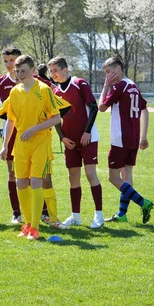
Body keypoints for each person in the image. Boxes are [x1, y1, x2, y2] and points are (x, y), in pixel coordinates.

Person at [0, 55, 65, 240]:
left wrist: (34, 129)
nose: (19, 75)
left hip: (41, 142)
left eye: (23, 71)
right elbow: (10, 120)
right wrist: (4, 146)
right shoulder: (14, 92)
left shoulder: (44, 90)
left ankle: (35, 228)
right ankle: (27, 225)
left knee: (36, 182)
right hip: (21, 144)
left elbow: (56, 118)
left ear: (33, 71)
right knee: (20, 182)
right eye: (17, 71)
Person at [48, 56, 104, 229]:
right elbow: (55, 118)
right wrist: (62, 137)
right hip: (69, 141)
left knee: (90, 174)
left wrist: (87, 132)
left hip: (88, 138)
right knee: (73, 177)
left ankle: (99, 215)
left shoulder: (80, 84)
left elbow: (93, 108)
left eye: (55, 70)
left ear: (65, 69)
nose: (53, 74)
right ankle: (75, 216)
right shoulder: (55, 92)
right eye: (51, 71)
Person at [98, 56, 153, 223]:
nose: (107, 76)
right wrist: (143, 136)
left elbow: (101, 107)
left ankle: (144, 202)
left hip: (120, 138)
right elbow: (145, 109)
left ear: (118, 70)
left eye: (109, 72)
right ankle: (122, 214)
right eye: (105, 73)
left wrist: (106, 86)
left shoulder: (120, 86)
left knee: (113, 177)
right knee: (126, 174)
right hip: (133, 137)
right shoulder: (133, 85)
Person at [0, 48, 22, 223]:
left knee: (36, 174)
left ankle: (43, 211)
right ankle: (17, 212)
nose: (9, 65)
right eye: (6, 61)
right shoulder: (1, 82)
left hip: (33, 133)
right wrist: (4, 109)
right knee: (12, 173)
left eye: (12, 60)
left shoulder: (33, 80)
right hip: (10, 133)